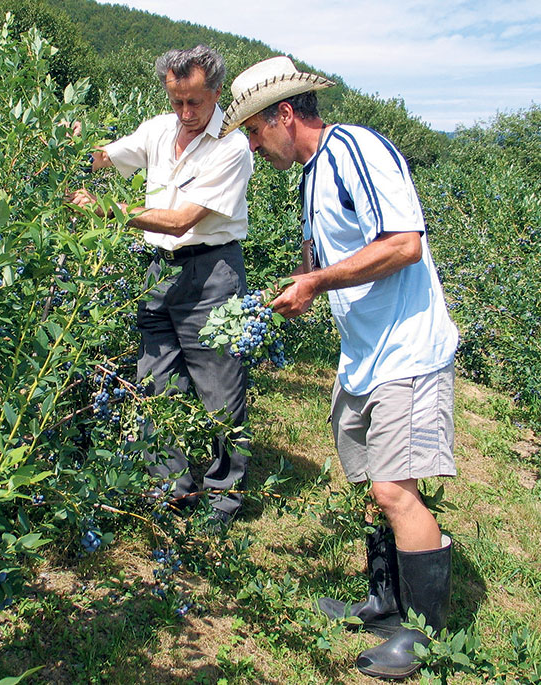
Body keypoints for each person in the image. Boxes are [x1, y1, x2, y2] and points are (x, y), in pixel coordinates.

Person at [219, 56, 459, 679]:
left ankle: (422, 635)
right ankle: (383, 597)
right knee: (370, 481)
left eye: (252, 129)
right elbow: (323, 264)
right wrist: (297, 291)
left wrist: (318, 281)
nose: (252, 143)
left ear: (286, 114)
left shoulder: (356, 149)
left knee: (393, 488)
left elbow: (404, 244)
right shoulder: (311, 178)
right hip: (363, 355)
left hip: (407, 350)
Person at [68, 46, 254, 531]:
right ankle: (171, 488)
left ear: (216, 93)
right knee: (155, 382)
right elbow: (106, 159)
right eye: (177, 101)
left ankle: (222, 501)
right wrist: (63, 148)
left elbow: (179, 222)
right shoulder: (157, 129)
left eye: (194, 101)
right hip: (157, 272)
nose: (186, 113)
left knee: (219, 389)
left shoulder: (232, 148)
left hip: (210, 274)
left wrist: (106, 211)